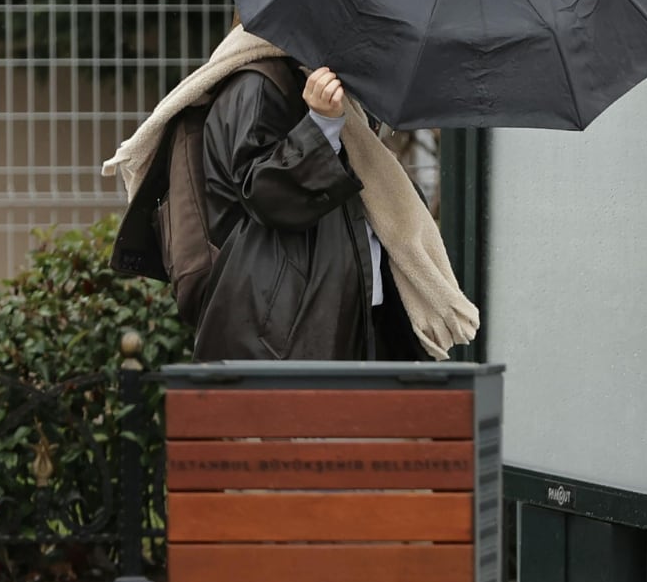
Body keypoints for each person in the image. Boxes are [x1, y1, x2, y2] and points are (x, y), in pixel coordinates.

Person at [103, 25, 478, 361]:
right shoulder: (258, 84)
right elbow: (265, 193)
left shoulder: (320, 88)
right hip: (285, 338)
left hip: (336, 326)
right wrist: (321, 127)